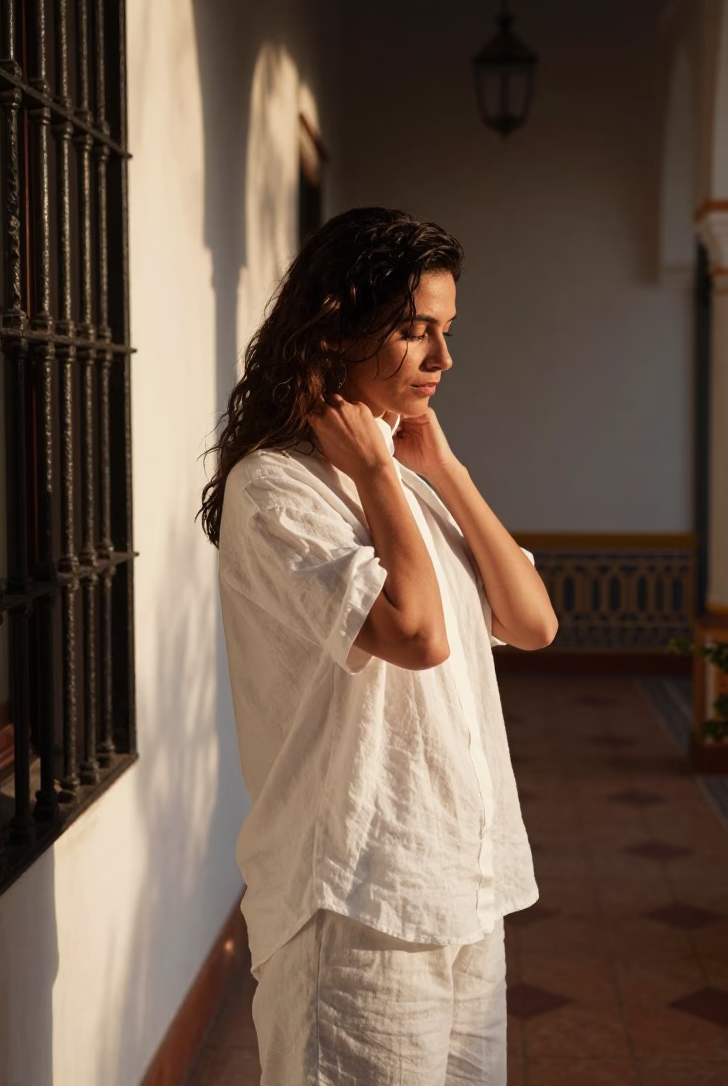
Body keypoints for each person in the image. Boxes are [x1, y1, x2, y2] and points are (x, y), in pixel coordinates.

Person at [200, 206, 558, 1085]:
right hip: (356, 902)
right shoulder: (275, 489)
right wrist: (370, 472)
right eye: (413, 331)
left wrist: (447, 472)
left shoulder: (413, 481)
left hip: (463, 886)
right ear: (336, 329)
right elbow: (418, 635)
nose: (443, 359)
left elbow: (533, 623)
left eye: (445, 330)